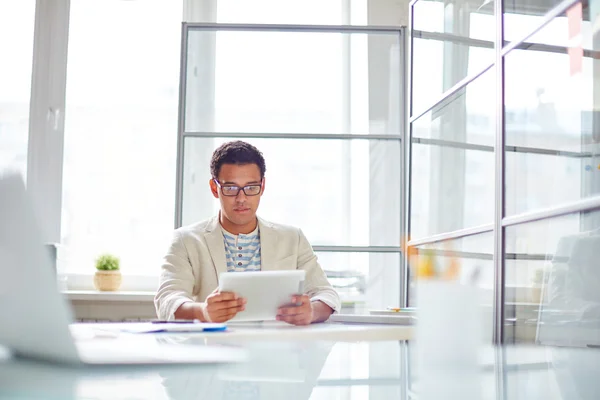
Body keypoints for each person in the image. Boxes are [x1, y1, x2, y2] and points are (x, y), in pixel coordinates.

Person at [154, 140, 340, 325]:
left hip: (278, 350)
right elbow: (167, 299)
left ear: (263, 186)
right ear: (214, 188)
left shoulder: (292, 238)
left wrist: (312, 312)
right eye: (231, 188)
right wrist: (203, 311)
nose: (241, 198)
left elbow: (326, 294)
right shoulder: (186, 240)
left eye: (251, 188)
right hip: (212, 349)